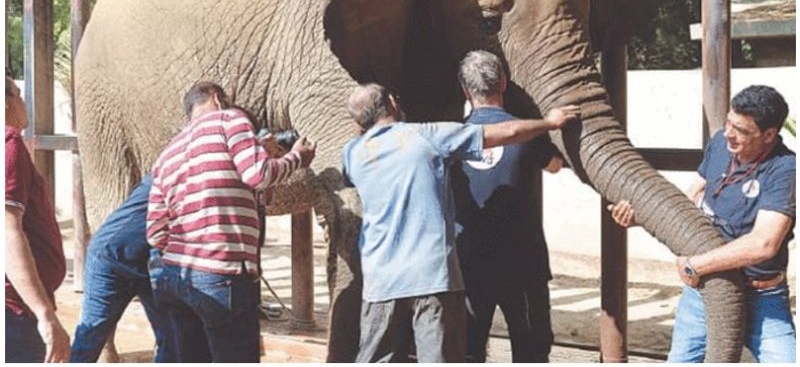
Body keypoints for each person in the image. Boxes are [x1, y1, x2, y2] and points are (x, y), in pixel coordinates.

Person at [341, 82, 580, 362]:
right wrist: (549, 123)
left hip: (380, 280)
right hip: (432, 277)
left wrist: (362, 127)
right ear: (393, 103)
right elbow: (506, 132)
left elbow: (356, 152)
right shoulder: (426, 135)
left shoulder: (352, 154)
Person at [609, 85, 795, 362]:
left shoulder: (785, 169)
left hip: (761, 296)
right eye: (729, 123)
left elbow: (763, 244)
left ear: (769, 134)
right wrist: (643, 217)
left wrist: (695, 264)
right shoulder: (720, 142)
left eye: (741, 130)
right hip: (704, 291)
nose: (729, 134)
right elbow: (691, 197)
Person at [146, 81, 316, 362]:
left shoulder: (167, 154)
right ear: (216, 98)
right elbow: (258, 175)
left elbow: (154, 233)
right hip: (221, 276)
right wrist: (296, 158)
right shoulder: (229, 118)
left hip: (175, 277)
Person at [454, 50, 563, 362]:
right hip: (523, 261)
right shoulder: (528, 132)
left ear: (464, 90)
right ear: (503, 82)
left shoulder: (453, 137)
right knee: (531, 349)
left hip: (470, 263)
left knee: (468, 350)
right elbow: (554, 165)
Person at [70, 174, 179, 362]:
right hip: (109, 258)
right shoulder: (172, 172)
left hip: (147, 264)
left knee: (170, 336)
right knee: (91, 334)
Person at [5, 74, 70, 362]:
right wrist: (46, 316)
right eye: (18, 95)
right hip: (14, 313)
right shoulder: (9, 145)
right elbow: (7, 230)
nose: (23, 102)